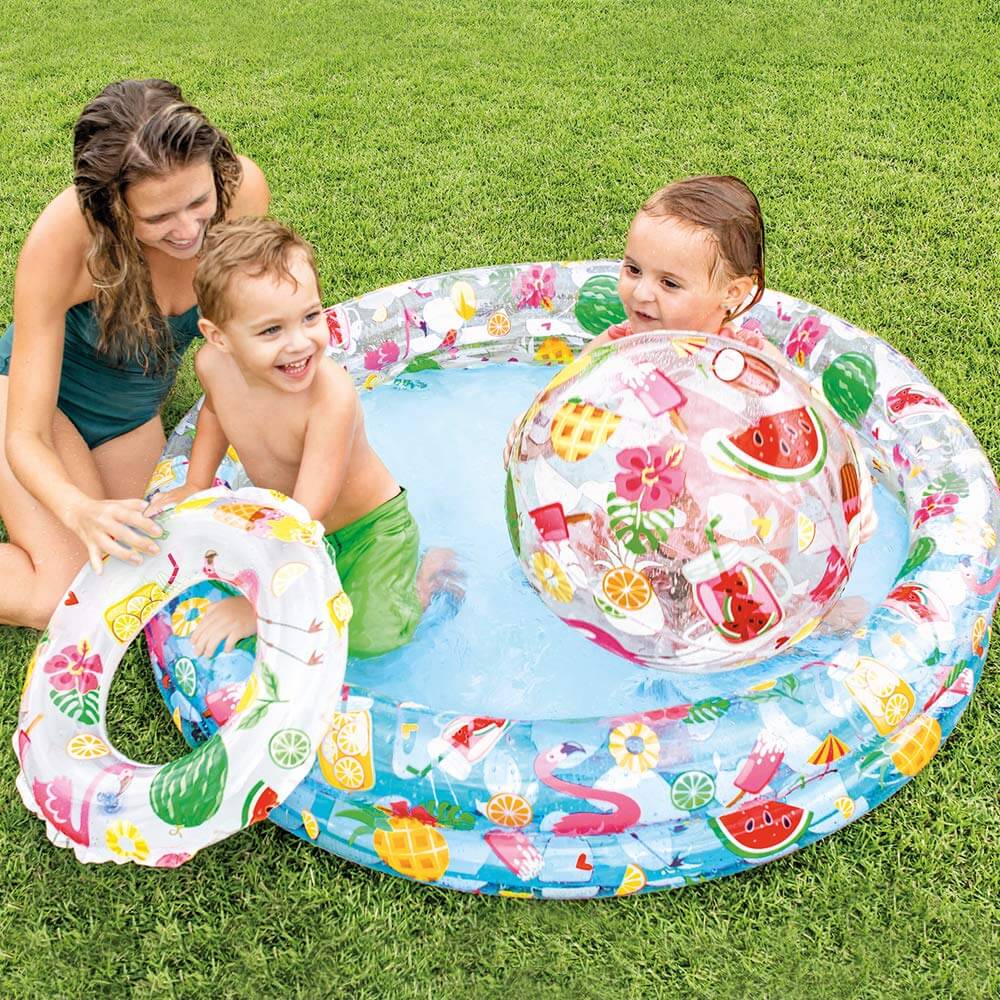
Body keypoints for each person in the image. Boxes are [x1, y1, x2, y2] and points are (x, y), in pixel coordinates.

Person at [0, 78, 269, 628]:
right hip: (28, 405)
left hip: (128, 418)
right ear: (111, 208)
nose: (189, 230)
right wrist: (77, 508)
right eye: (158, 218)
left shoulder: (241, 195)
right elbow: (25, 434)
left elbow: (245, 330)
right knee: (70, 595)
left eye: (198, 201)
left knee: (150, 571)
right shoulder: (62, 242)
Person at [146, 218, 456, 659]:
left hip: (368, 532)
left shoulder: (330, 396)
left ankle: (424, 580)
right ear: (219, 337)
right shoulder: (213, 365)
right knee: (221, 575)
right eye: (271, 330)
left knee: (370, 642)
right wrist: (195, 484)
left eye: (310, 317)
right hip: (295, 522)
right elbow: (213, 413)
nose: (299, 343)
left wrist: (259, 607)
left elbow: (309, 513)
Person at [579, 174, 770, 358]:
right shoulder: (614, 346)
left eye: (669, 283)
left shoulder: (748, 358)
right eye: (634, 270)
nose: (640, 293)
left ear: (731, 292)